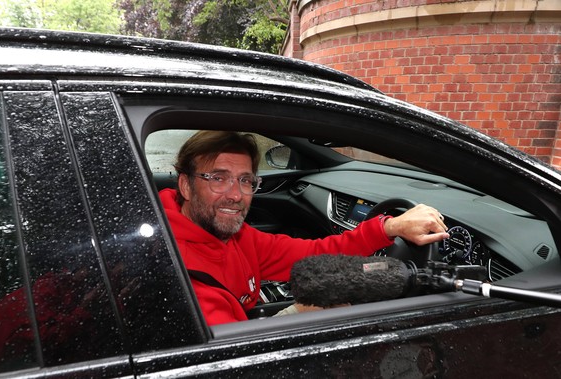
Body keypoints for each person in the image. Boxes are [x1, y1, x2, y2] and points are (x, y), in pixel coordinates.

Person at [158, 131, 449, 326]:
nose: (236, 195)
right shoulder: (177, 273)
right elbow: (235, 362)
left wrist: (389, 227)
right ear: (185, 185)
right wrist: (300, 313)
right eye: (218, 178)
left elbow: (314, 252)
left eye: (245, 180)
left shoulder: (234, 236)